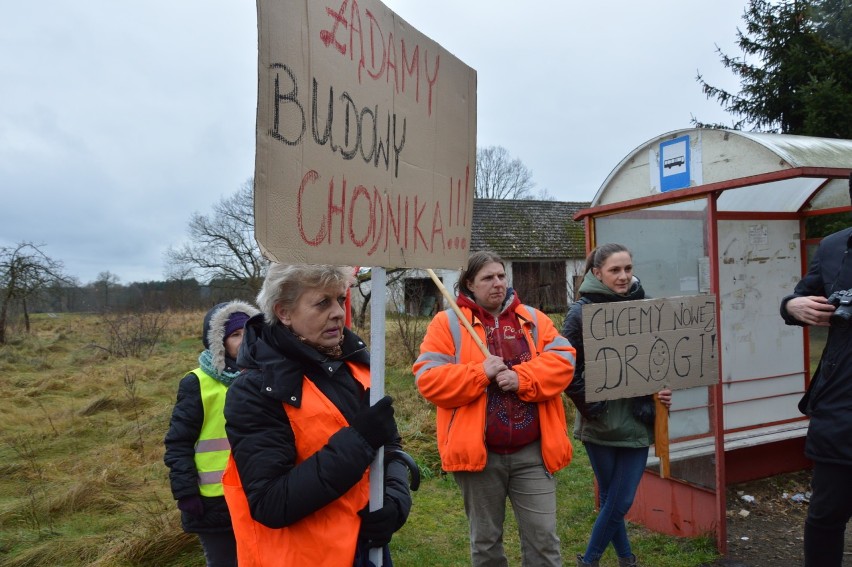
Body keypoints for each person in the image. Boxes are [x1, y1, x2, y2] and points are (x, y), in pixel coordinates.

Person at [221, 263, 412, 566]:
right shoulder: (255, 390)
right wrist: (359, 441)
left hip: (366, 550)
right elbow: (271, 501)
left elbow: (388, 444)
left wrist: (395, 499)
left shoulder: (354, 364)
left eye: (340, 299)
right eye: (323, 302)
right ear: (284, 312)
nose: (338, 312)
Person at [413, 250, 576, 566]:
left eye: (501, 276)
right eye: (488, 278)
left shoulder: (533, 319)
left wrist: (522, 378)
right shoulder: (447, 324)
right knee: (486, 546)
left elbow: (564, 362)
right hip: (480, 456)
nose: (498, 283)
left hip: (533, 452)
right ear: (470, 283)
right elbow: (428, 379)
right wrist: (480, 373)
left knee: (544, 542)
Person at [561, 243, 672, 567]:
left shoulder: (646, 307)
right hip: (601, 422)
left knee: (619, 500)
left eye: (627, 268)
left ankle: (590, 561)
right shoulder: (580, 312)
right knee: (613, 499)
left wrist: (661, 391)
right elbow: (566, 368)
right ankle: (626, 560)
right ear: (597, 273)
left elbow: (658, 359)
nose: (623, 276)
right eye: (614, 270)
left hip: (637, 419)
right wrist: (594, 406)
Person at [780, 180, 852, 567]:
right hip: (840, 410)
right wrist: (793, 306)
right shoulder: (833, 247)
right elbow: (800, 295)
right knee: (825, 517)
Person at [164, 299, 259, 567]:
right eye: (235, 334)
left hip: (259, 493)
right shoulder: (197, 383)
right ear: (218, 342)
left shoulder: (269, 379)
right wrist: (186, 492)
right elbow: (178, 442)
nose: (244, 340)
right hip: (214, 502)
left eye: (249, 333)